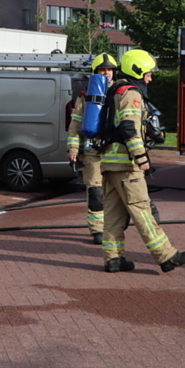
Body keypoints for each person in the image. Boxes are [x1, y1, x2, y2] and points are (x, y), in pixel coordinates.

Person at [97, 49, 185, 273]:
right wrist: (141, 158)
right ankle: (167, 256)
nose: (150, 78)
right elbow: (129, 127)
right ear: (137, 71)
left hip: (110, 162)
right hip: (126, 164)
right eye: (148, 74)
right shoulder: (131, 93)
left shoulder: (115, 89)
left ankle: (113, 259)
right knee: (142, 210)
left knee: (113, 215)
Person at [67, 53, 118, 244]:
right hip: (93, 151)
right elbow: (75, 125)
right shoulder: (86, 95)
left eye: (109, 69)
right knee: (96, 192)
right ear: (95, 72)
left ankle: (114, 227)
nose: (106, 73)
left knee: (118, 192)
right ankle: (97, 230)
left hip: (116, 151)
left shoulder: (122, 91)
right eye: (102, 70)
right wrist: (73, 149)